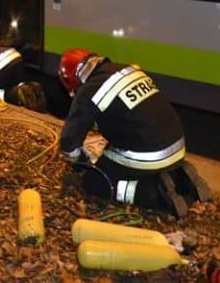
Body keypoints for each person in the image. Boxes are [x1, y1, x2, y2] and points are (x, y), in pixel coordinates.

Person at [57, 48, 211, 218]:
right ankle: (178, 176)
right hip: (176, 143)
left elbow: (68, 143)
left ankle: (157, 195)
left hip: (149, 154)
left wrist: (81, 164)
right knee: (119, 151)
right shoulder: (125, 69)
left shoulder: (88, 93)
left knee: (95, 182)